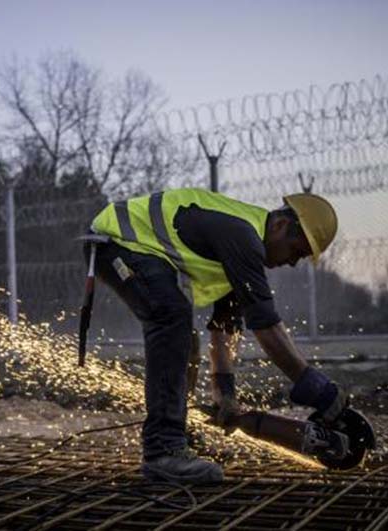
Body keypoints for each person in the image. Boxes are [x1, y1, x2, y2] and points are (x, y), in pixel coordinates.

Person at [85, 187, 346, 483]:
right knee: (171, 319)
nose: (293, 262)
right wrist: (313, 386)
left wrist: (225, 393)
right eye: (297, 250)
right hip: (115, 241)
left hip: (130, 247)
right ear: (280, 225)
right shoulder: (243, 236)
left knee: (183, 336)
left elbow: (224, 328)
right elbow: (266, 326)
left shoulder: (242, 246)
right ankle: (163, 449)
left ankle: (176, 436)